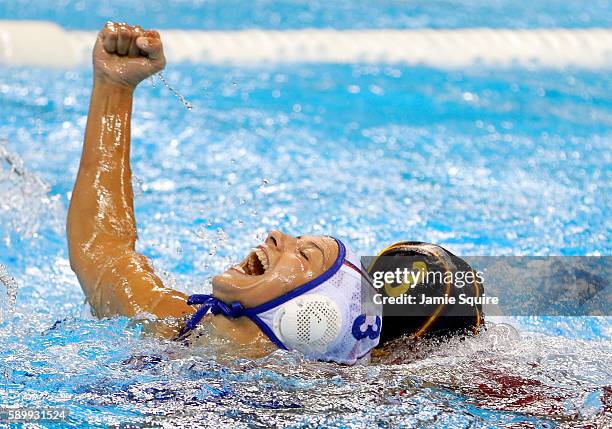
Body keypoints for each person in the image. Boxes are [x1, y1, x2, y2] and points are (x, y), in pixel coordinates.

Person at [67, 22, 482, 366]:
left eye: (304, 255)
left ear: (313, 318)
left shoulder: (321, 403)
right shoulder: (181, 327)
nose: (276, 235)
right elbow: (103, 251)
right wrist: (114, 89)